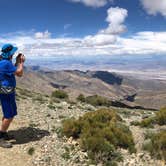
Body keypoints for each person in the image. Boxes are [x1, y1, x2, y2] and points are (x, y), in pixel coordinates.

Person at [0, 44, 25, 148]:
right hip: (6, 92)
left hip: (7, 92)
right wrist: (21, 63)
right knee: (9, 115)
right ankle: (0, 137)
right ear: (10, 54)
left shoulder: (5, 62)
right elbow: (19, 73)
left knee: (10, 113)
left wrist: (17, 63)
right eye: (13, 53)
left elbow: (13, 70)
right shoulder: (5, 63)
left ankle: (3, 133)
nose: (14, 54)